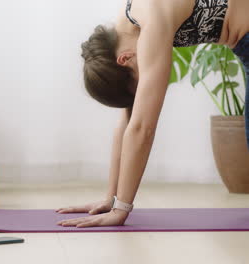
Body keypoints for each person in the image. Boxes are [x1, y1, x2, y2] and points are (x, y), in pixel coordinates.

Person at [55, 0, 249, 228]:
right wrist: (111, 199)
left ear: (124, 59)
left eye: (136, 86)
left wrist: (122, 209)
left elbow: (142, 127)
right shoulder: (129, 24)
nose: (144, 89)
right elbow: (128, 123)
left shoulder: (151, 24)